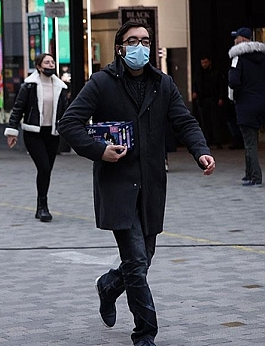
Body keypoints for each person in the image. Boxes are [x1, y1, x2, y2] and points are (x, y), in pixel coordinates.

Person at [57, 21, 215, 346]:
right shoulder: (101, 83)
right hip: (118, 186)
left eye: (145, 40)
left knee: (143, 260)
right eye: (132, 41)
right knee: (137, 261)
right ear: (120, 47)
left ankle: (109, 286)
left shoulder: (163, 83)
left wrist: (201, 152)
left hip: (152, 186)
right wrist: (100, 150)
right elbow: (69, 123)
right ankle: (145, 335)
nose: (139, 46)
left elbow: (184, 121)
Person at [4, 53, 69, 222]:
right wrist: (12, 131)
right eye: (47, 62)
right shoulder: (30, 86)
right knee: (44, 168)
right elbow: (18, 108)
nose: (50, 65)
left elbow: (66, 111)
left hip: (52, 133)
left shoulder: (60, 86)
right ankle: (43, 206)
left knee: (47, 170)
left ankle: (41, 205)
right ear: (39, 66)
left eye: (52, 62)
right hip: (33, 133)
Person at [228, 27, 265, 187]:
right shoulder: (263, 57)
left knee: (249, 142)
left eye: (237, 38)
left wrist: (237, 94)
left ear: (243, 39)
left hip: (246, 103)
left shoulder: (238, 58)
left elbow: (233, 81)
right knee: (254, 139)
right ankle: (248, 173)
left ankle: (254, 176)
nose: (235, 40)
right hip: (262, 101)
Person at [192, 55, 225, 149]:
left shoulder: (216, 73)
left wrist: (221, 97)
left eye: (206, 62)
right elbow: (195, 84)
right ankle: (207, 140)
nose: (204, 65)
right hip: (202, 99)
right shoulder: (199, 73)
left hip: (213, 98)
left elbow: (220, 85)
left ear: (210, 62)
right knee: (204, 121)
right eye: (202, 63)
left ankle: (217, 140)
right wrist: (195, 92)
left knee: (215, 120)